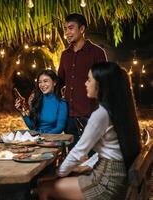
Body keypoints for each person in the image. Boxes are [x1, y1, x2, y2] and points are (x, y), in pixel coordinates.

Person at [38, 62, 141, 200]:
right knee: (68, 174)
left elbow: (79, 151)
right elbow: (110, 150)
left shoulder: (100, 114)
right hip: (114, 174)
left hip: (106, 182)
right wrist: (84, 167)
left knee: (43, 186)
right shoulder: (118, 109)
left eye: (89, 80)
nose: (85, 84)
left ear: (100, 84)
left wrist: (57, 173)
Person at [58, 13, 107, 147]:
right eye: (65, 29)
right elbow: (60, 82)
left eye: (71, 28)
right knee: (73, 159)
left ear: (82, 29)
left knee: (91, 161)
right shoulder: (65, 55)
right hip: (69, 117)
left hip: (90, 116)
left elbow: (105, 85)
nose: (67, 32)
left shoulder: (97, 53)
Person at [15, 69, 67, 134]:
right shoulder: (36, 100)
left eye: (45, 81)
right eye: (40, 82)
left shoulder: (61, 102)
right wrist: (22, 111)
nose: (42, 85)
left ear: (54, 82)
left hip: (51, 139)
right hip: (35, 138)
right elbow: (32, 127)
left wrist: (42, 137)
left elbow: (59, 128)